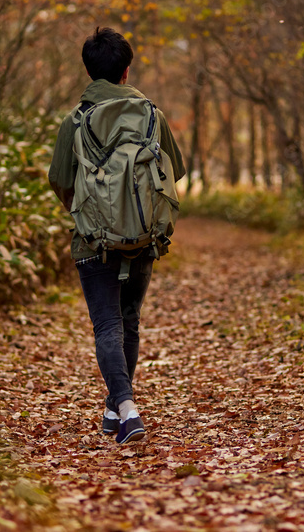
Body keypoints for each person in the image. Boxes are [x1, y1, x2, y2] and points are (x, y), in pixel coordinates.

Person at [48, 27, 186, 444]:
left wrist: (91, 209)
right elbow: (175, 170)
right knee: (129, 321)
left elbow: (59, 180)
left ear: (90, 72)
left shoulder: (76, 121)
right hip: (144, 234)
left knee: (107, 322)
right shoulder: (152, 115)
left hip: (93, 240)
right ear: (126, 72)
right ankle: (117, 407)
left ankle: (124, 408)